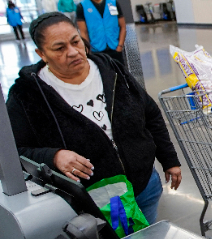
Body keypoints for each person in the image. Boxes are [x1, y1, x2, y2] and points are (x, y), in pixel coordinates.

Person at [6, 12, 182, 225]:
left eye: (76, 41)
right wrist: (53, 156)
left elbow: (150, 114)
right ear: (41, 54)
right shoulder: (27, 94)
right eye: (59, 48)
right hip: (91, 204)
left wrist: (169, 159)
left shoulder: (111, 70)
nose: (73, 52)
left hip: (144, 186)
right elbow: (14, 151)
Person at [76, 0, 127, 64]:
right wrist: (88, 51)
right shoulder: (82, 6)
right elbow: (83, 32)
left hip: (115, 48)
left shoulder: (113, 3)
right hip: (97, 50)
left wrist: (120, 46)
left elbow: (123, 26)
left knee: (121, 76)